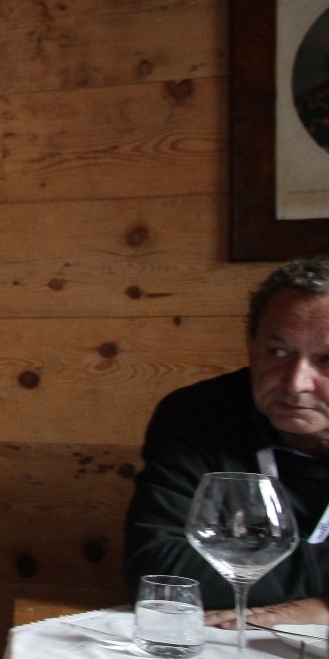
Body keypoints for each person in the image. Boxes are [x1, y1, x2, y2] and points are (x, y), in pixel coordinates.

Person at [124, 255, 329, 629]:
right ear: (251, 344)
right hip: (222, 639)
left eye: (327, 360)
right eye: (277, 352)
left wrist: (322, 610)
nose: (296, 382)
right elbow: (159, 569)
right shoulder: (199, 414)